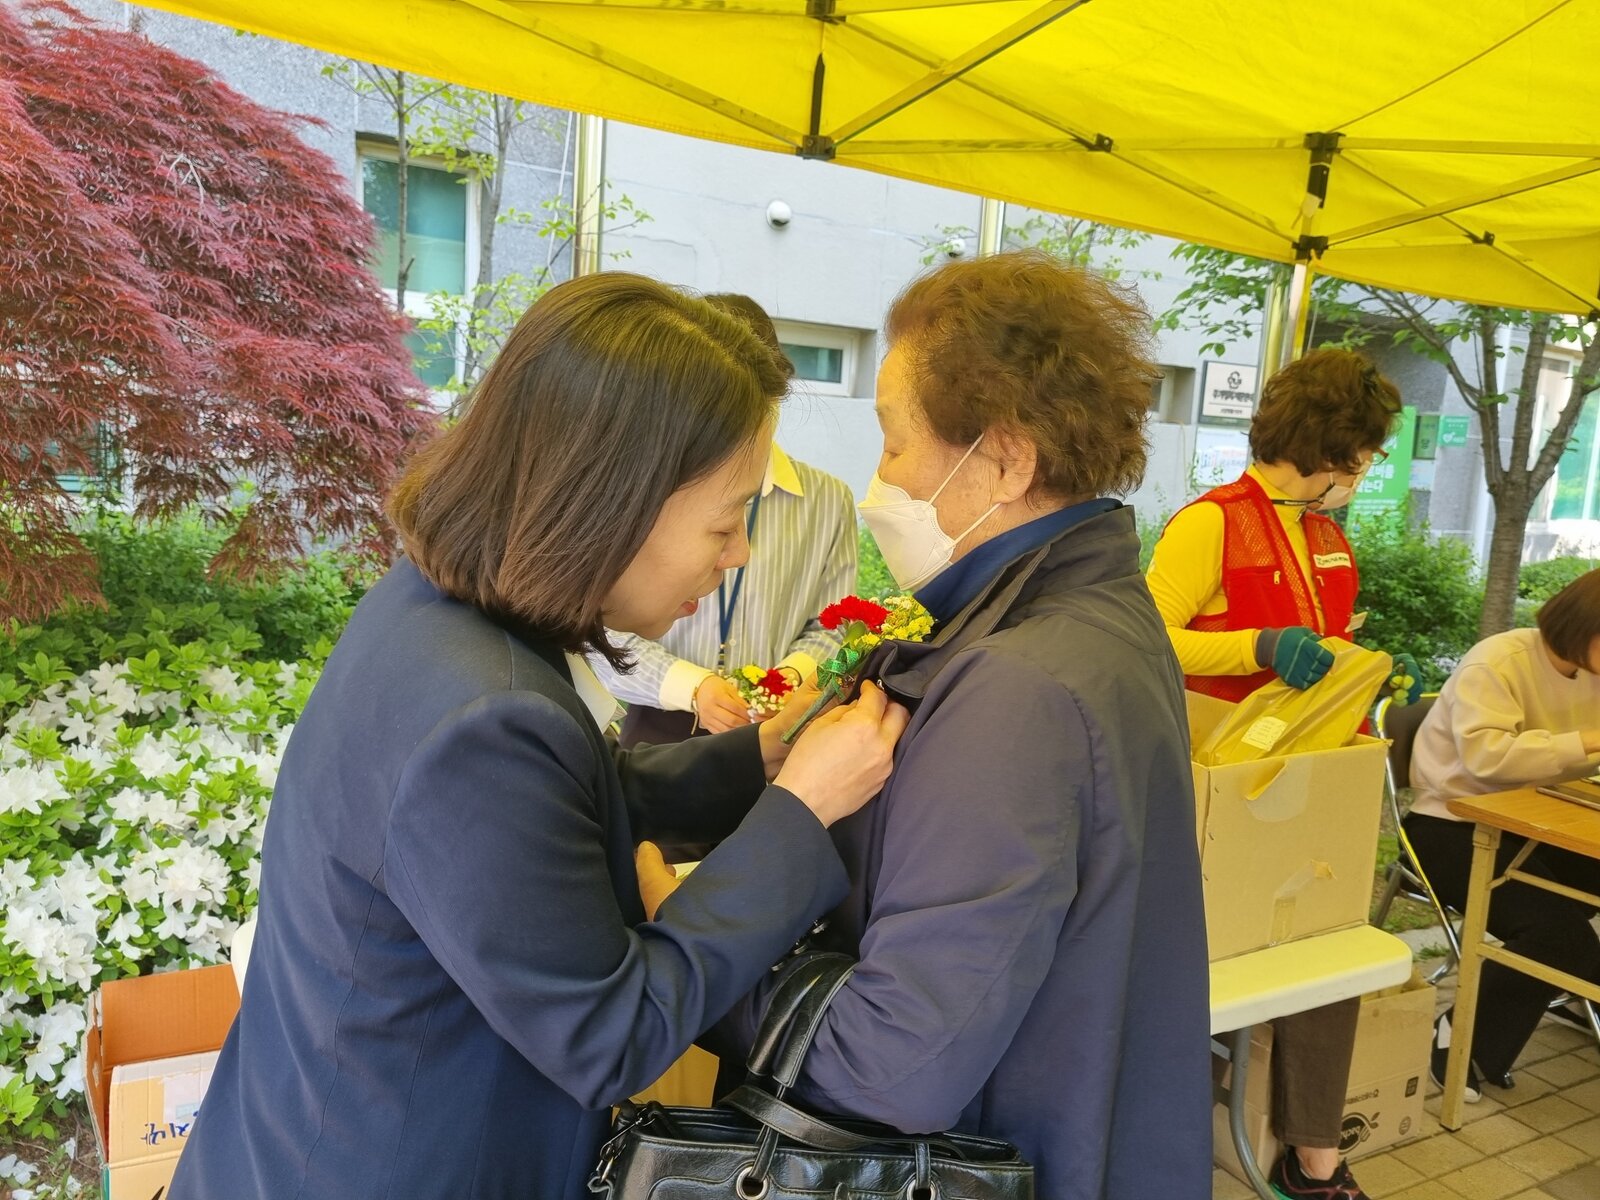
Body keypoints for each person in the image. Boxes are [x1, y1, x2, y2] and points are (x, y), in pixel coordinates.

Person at [169, 273, 909, 1200]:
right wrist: (800, 813)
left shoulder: (432, 611)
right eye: (726, 523)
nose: (740, 555)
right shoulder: (487, 717)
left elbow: (544, 819)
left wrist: (753, 763)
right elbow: (610, 1033)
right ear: (611, 501)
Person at [694, 251, 1211, 1199]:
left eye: (894, 443)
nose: (879, 477)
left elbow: (888, 1064)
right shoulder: (1095, 611)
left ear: (1006, 461)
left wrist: (698, 957)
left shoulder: (1017, 684)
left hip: (994, 1149)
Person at [1145, 348, 1413, 1200]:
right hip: (1218, 784)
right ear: (1329, 443)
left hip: (1306, 775)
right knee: (1204, 962)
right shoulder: (1212, 523)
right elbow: (1148, 637)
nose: (1364, 468)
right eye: (1362, 451)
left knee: (1326, 946)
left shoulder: (1323, 530)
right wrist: (1257, 647)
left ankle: (1314, 1157)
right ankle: (1165, 1139)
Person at [596, 293, 857, 749]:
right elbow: (596, 625)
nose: (737, 553)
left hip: (773, 721)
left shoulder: (828, 498)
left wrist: (784, 681)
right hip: (661, 718)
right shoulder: (643, 489)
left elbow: (833, 622)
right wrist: (693, 686)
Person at [1406, 567, 1600, 1099]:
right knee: (1559, 936)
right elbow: (1486, 759)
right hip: (1448, 821)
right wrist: (1589, 739)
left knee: (1564, 932)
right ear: (1584, 627)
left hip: (1535, 817)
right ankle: (1455, 1041)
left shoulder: (1591, 670)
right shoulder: (1499, 661)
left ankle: (1577, 984)